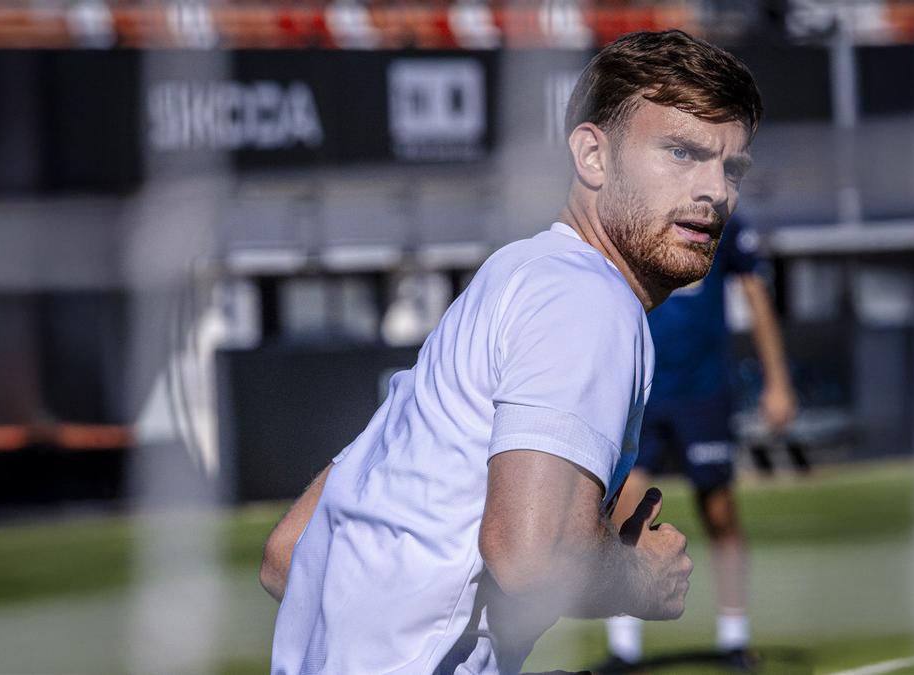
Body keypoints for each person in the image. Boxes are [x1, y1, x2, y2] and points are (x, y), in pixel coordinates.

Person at [259, 29, 764, 675]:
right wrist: (640, 575)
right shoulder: (586, 299)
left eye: (733, 168)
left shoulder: (512, 276)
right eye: (681, 152)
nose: (715, 191)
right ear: (592, 155)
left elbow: (289, 553)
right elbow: (531, 558)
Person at [601, 218, 796, 671]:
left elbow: (756, 296)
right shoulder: (636, 215)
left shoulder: (724, 226)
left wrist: (778, 382)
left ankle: (734, 638)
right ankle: (624, 646)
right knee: (626, 512)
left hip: (704, 393)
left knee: (720, 512)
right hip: (641, 391)